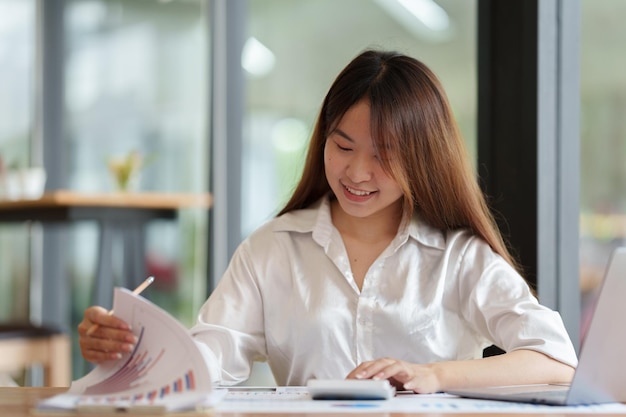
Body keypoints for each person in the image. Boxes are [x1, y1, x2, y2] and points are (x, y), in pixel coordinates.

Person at [78, 49, 577, 394]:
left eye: (385, 155)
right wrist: (132, 349)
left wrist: (436, 375)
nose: (357, 172)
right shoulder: (272, 249)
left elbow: (556, 361)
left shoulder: (458, 257)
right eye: (342, 146)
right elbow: (208, 359)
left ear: (425, 158)